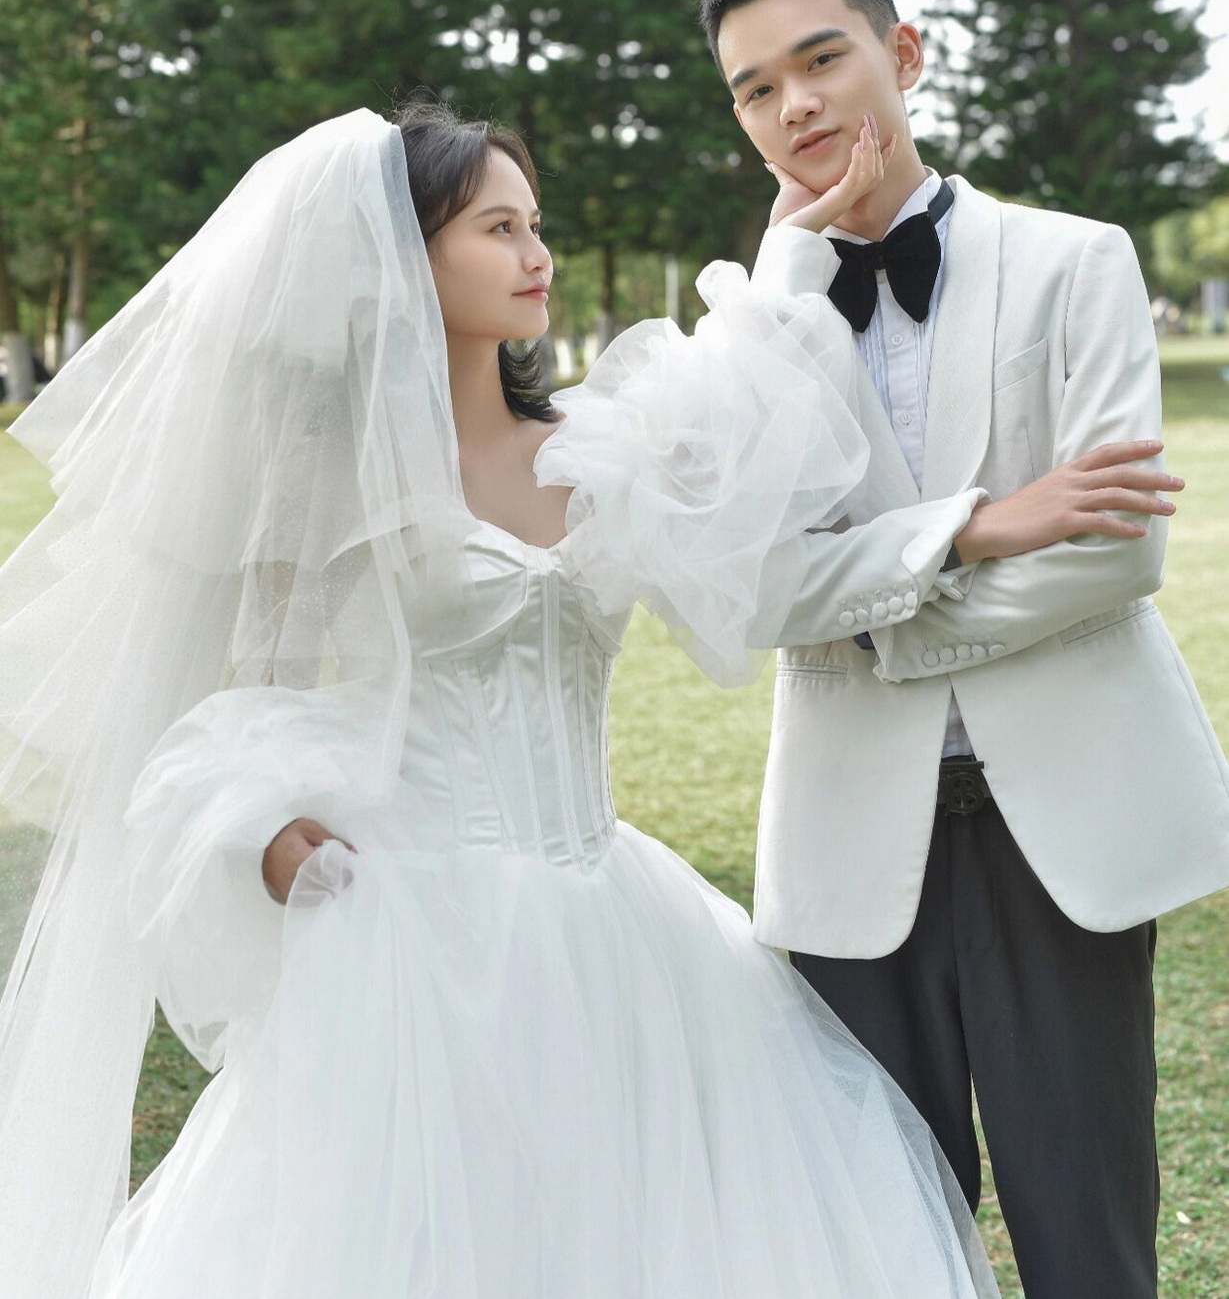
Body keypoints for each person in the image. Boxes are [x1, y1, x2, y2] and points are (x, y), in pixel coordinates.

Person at [0, 104, 1175, 1299]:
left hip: (618, 924)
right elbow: (235, 701)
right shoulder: (322, 488)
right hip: (413, 939)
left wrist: (802, 273)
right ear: (401, 256)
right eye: (498, 229)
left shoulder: (594, 448)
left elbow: (752, 461)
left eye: (536, 224)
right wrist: (265, 832)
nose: (537, 255)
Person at [698, 0, 1229, 1299]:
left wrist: (867, 612)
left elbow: (1113, 554)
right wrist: (976, 530)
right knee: (878, 1245)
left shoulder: (1076, 260)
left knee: (1087, 1233)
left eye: (821, 59)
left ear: (904, 51)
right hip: (845, 834)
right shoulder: (746, 327)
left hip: (1063, 820)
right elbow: (748, 590)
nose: (794, 104)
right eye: (756, 88)